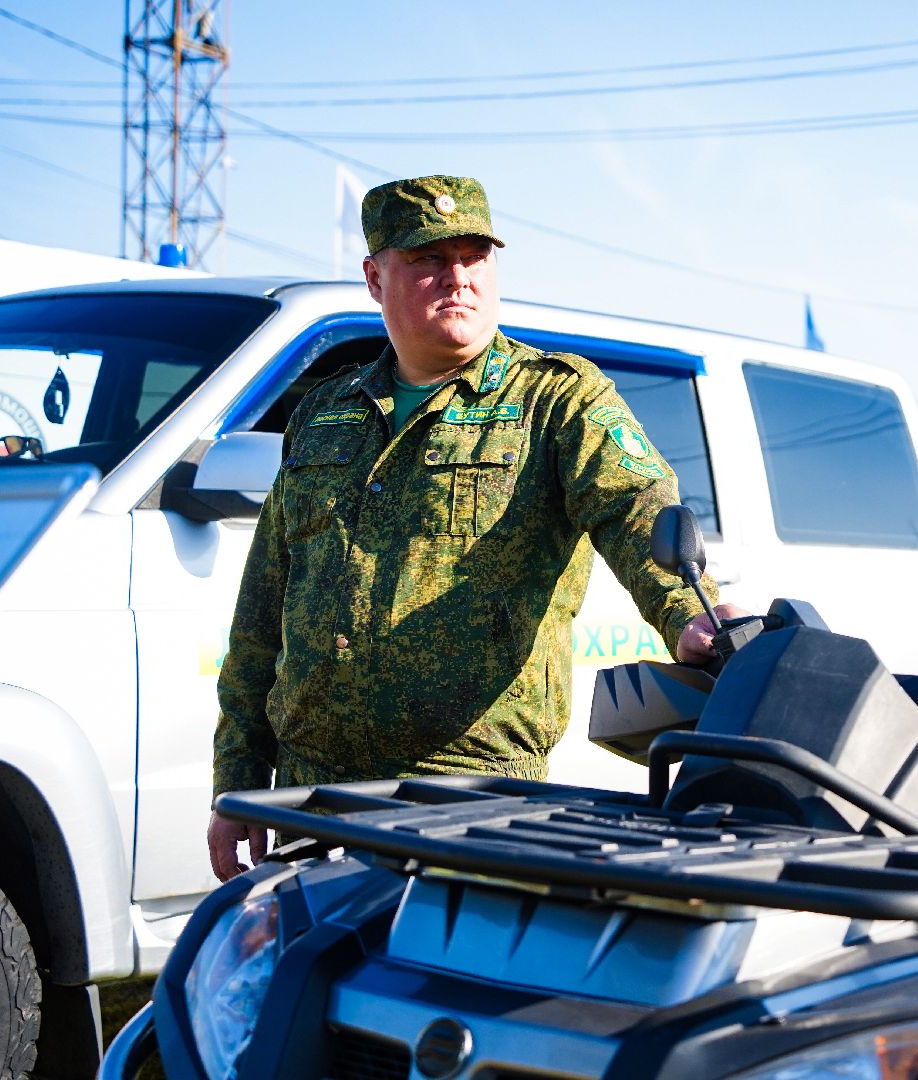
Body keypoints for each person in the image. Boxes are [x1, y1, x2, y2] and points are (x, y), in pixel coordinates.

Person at [208, 175, 741, 881]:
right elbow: (261, 608)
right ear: (375, 277)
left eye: (475, 258)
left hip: (471, 797)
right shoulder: (324, 411)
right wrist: (238, 776)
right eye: (428, 260)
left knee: (445, 985)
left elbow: (636, 503)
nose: (457, 279)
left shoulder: (555, 398)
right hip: (314, 799)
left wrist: (685, 612)